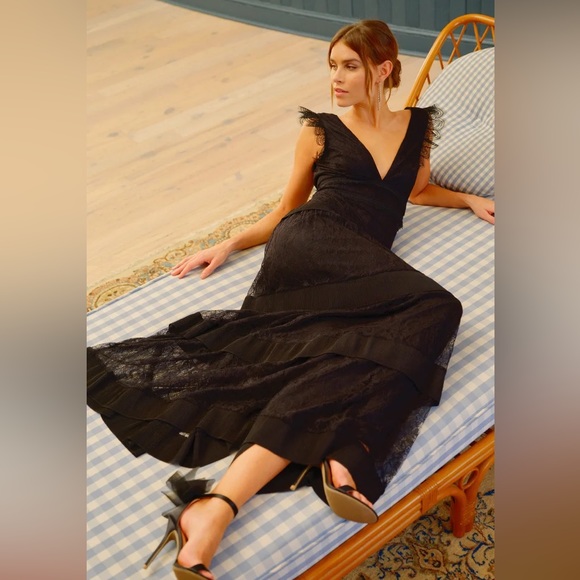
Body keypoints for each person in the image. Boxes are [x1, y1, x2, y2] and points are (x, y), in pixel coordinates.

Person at [87, 19, 494, 580]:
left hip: (357, 264)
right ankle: (349, 451)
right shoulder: (321, 130)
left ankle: (216, 507)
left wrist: (467, 199)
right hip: (310, 240)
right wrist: (228, 243)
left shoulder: (419, 127)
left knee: (340, 363)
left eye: (349, 67)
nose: (336, 78)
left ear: (383, 70)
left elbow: (417, 189)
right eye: (332, 66)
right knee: (437, 307)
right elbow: (285, 211)